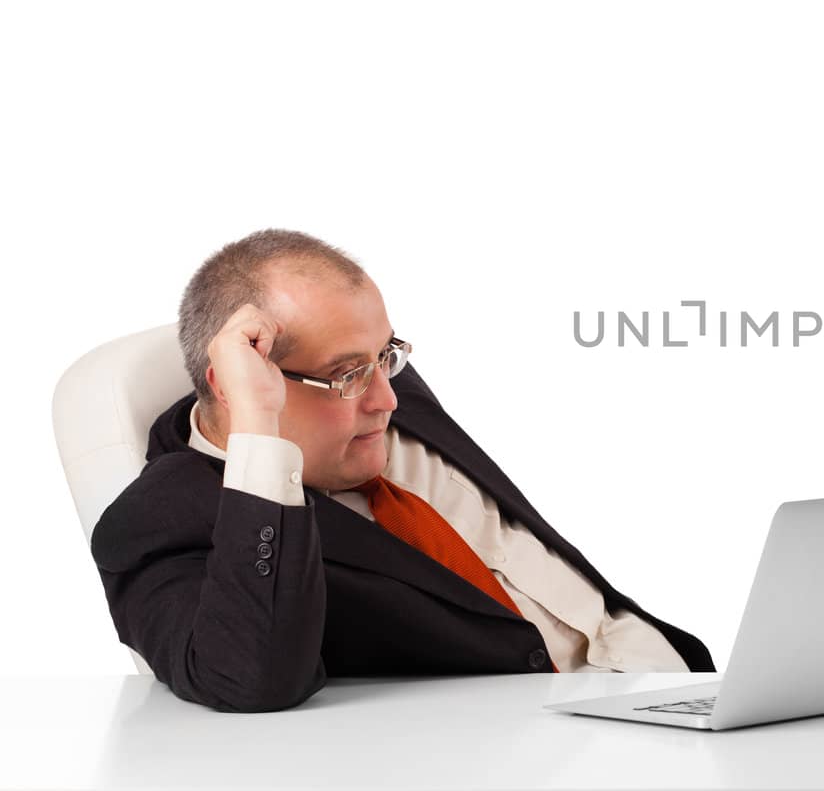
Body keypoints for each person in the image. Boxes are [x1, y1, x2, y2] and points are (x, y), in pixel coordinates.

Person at [90, 229, 713, 713]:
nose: (386, 398)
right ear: (234, 386)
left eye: (384, 356)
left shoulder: (383, 393)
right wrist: (261, 430)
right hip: (551, 744)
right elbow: (249, 679)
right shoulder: (157, 525)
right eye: (346, 374)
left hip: (680, 686)